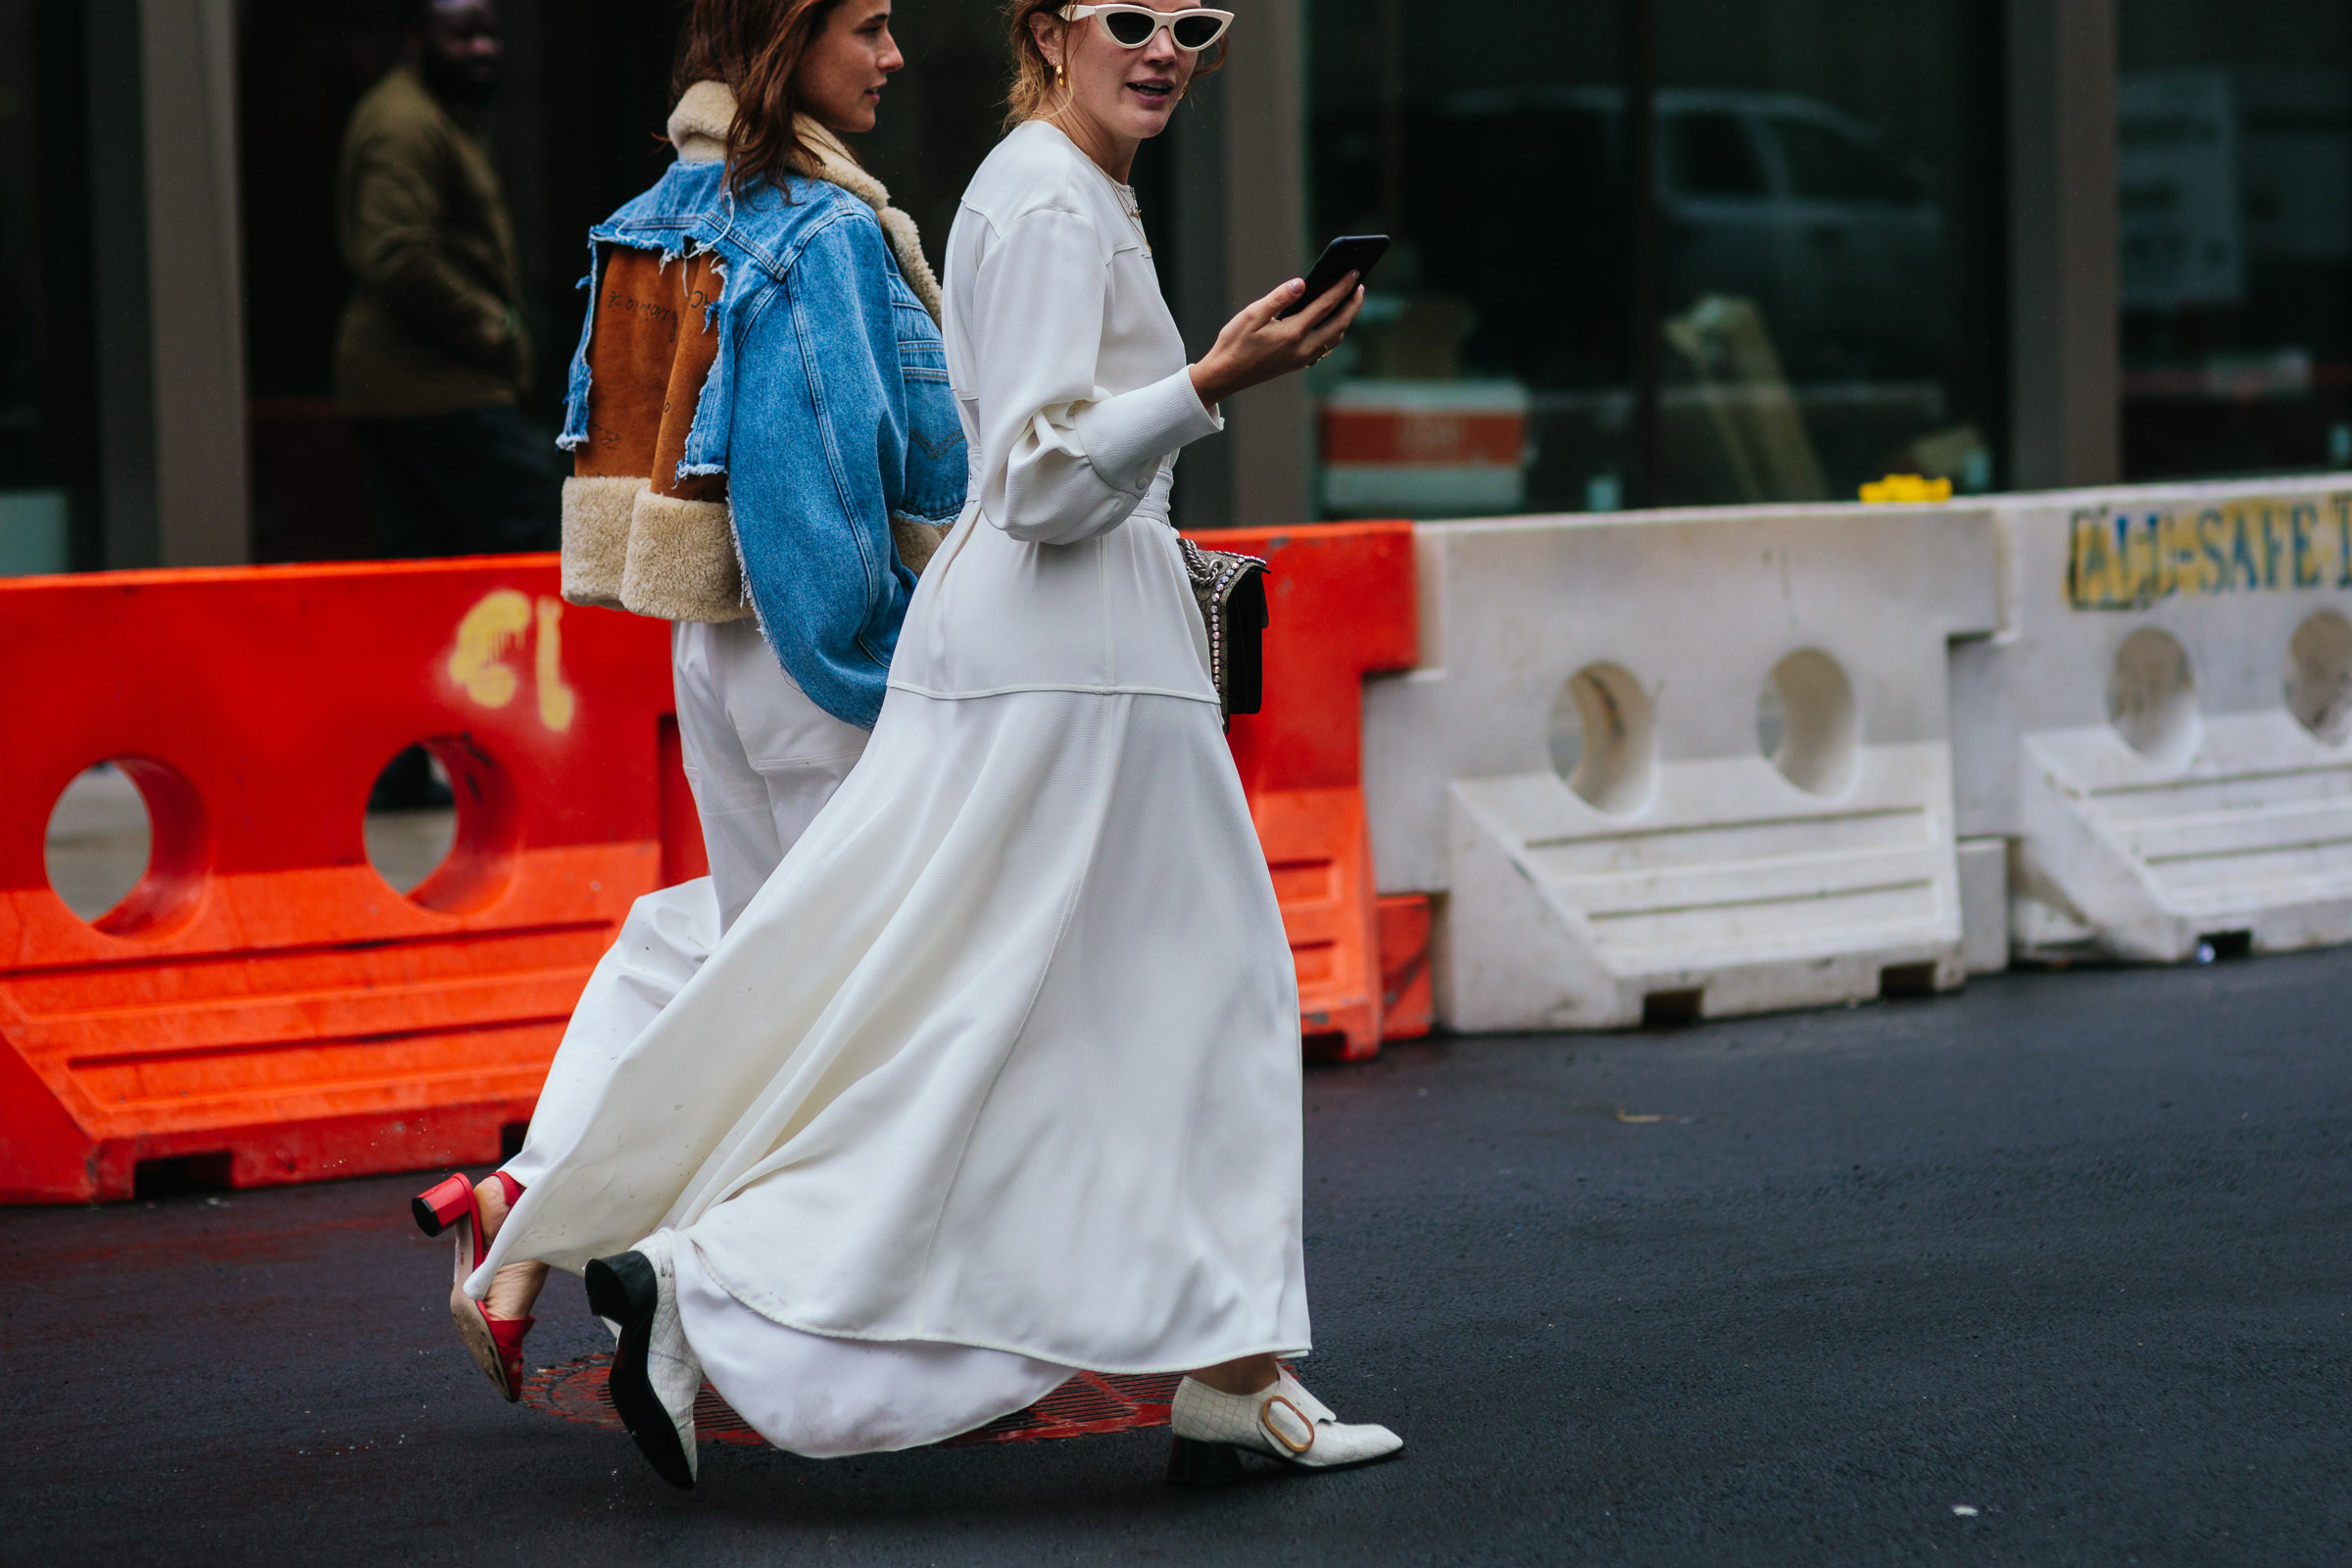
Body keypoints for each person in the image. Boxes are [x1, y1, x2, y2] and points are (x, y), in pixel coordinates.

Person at [438, 0, 1402, 1490]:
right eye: (1129, 20)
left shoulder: (1054, 191)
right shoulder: (1028, 198)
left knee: (1059, 1010)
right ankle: (704, 1284)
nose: (1165, 48)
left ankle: (1233, 1370)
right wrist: (1213, 383)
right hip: (1052, 670)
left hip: (1062, 663)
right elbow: (1027, 480)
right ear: (1049, 30)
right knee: (994, 1029)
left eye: (1194, 22)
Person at [408, 0, 964, 1405]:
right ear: (790, 41)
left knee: (740, 963)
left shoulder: (662, 207)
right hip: (813, 643)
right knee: (860, 1008)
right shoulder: (822, 231)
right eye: (870, 27)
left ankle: (526, 1215)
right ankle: (734, 1313)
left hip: (712, 648)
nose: (895, 58)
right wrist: (898, 668)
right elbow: (829, 485)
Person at [334, 0, 559, 561]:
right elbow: (394, 253)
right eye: (462, 35)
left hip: (425, 384)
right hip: (435, 385)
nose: (483, 48)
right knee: (525, 533)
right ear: (416, 38)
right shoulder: (406, 124)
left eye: (490, 33)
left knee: (427, 560)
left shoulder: (437, 114)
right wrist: (494, 326)